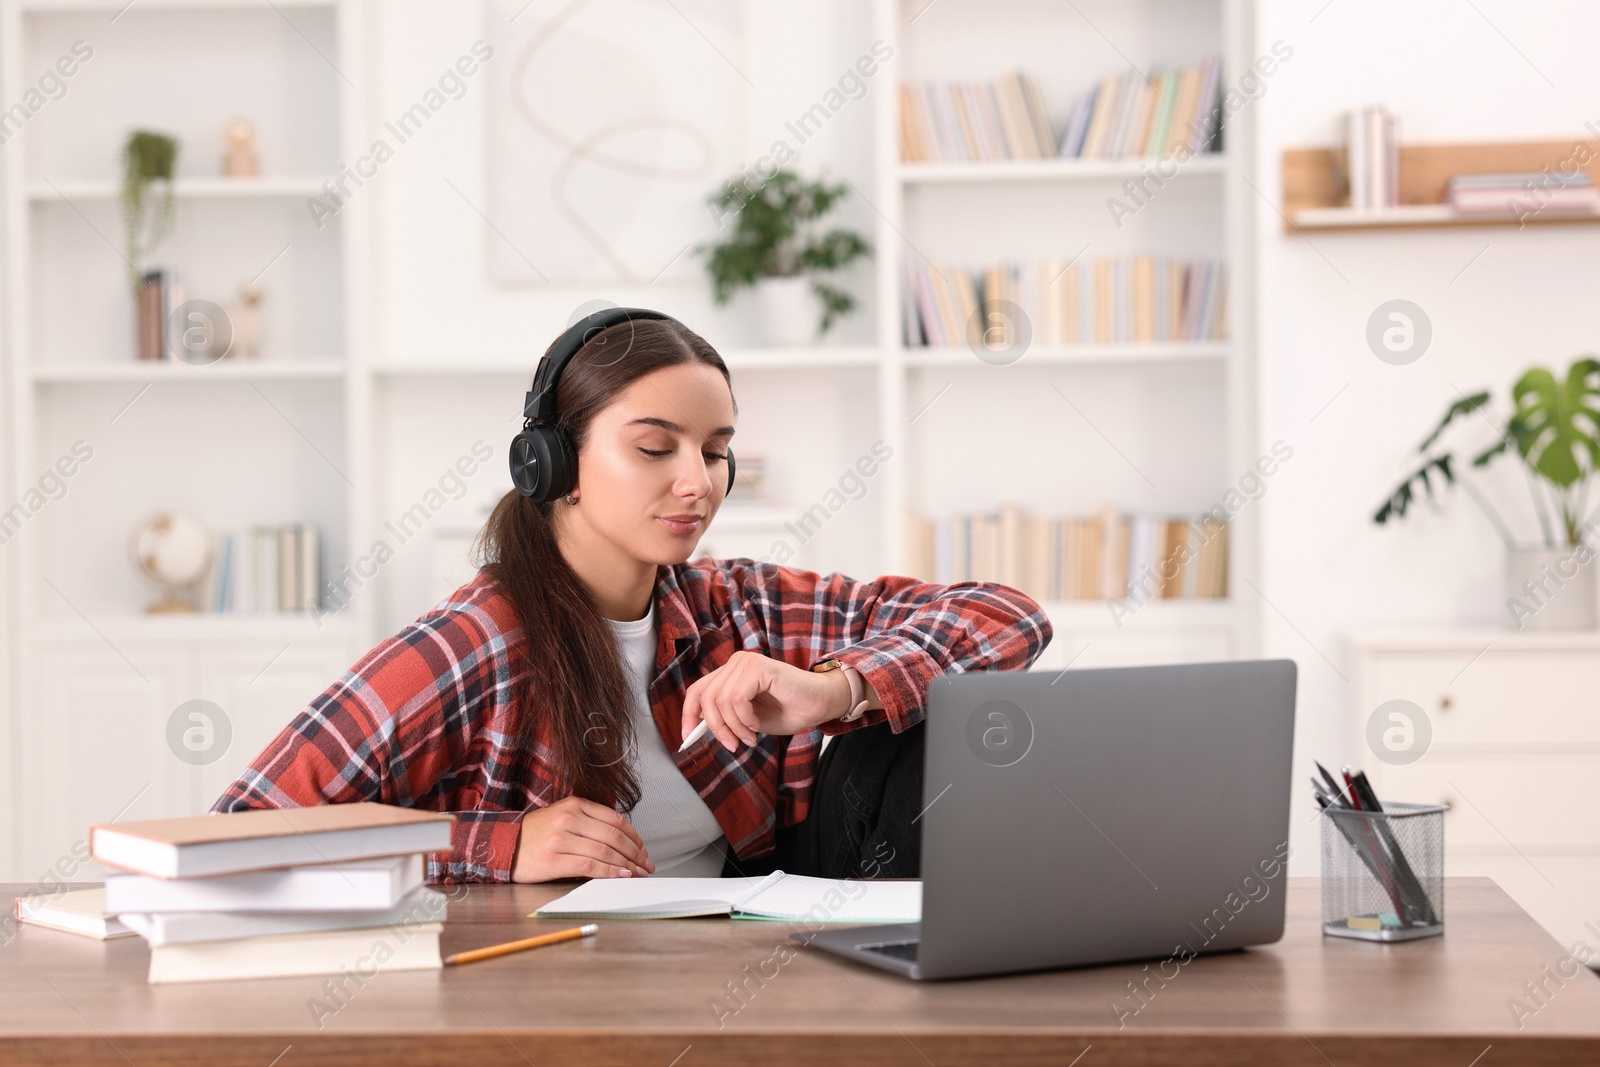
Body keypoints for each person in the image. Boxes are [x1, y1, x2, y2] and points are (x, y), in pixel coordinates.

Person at [210, 308, 1053, 884]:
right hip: (566, 978)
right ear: (554, 463)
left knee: (927, 719)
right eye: (655, 447)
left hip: (759, 934)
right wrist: (495, 846)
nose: (697, 482)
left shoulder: (737, 604)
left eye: (716, 450)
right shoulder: (473, 643)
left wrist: (836, 686)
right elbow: (239, 833)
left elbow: (1009, 614)